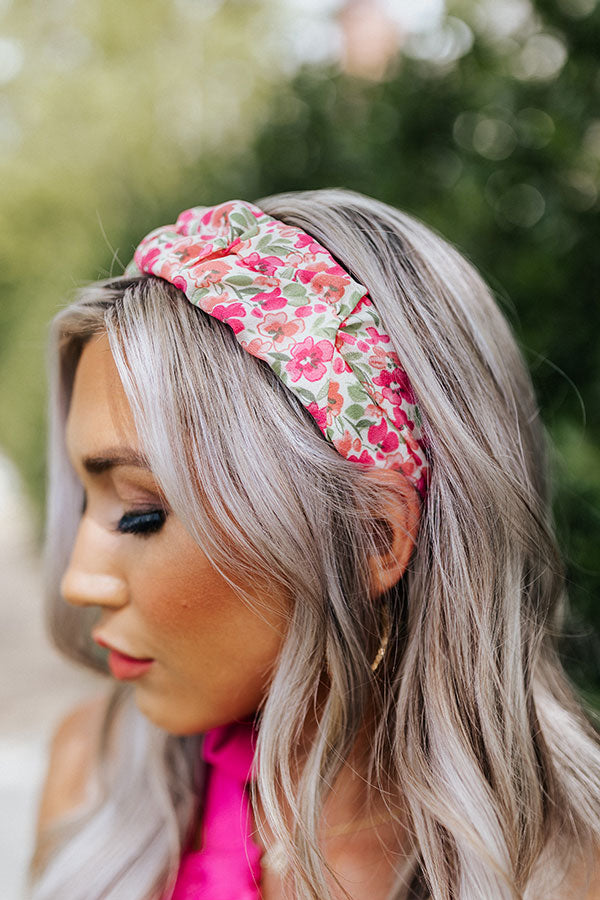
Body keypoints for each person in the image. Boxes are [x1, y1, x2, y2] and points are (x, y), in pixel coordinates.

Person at [29, 189, 600, 900]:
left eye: (142, 514)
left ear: (371, 537)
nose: (78, 581)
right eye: (89, 501)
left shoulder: (568, 873)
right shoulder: (93, 779)